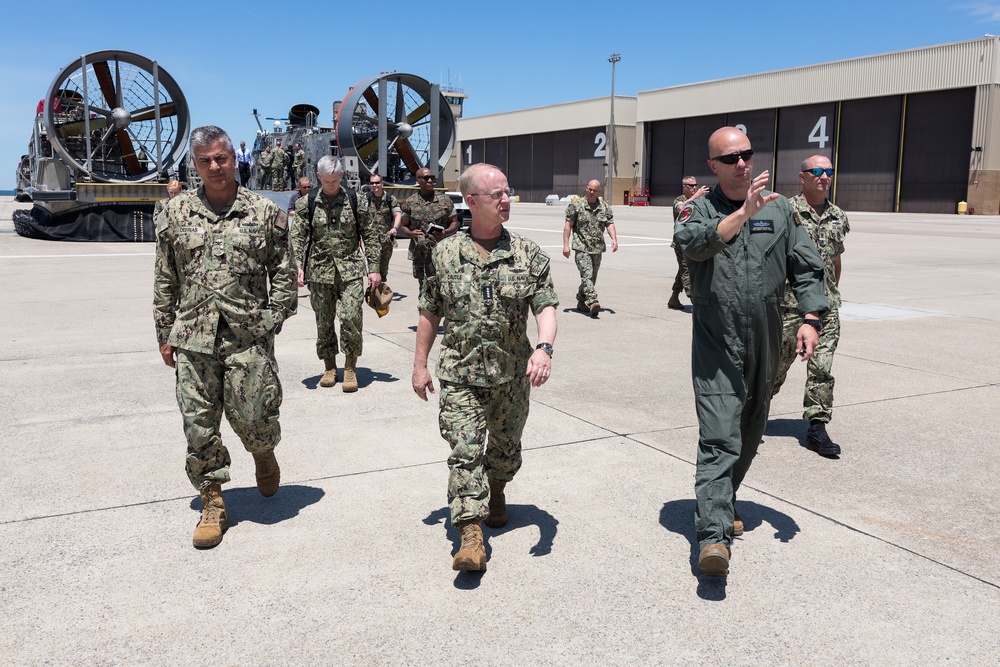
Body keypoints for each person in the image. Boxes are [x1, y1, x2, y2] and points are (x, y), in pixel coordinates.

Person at [673, 127, 829, 577]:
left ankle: (724, 497)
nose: (742, 163)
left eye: (747, 155)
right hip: (716, 334)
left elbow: (806, 266)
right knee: (720, 430)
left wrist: (810, 318)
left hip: (764, 329)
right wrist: (743, 212)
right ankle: (714, 536)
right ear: (713, 166)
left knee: (753, 423)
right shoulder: (695, 209)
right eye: (731, 158)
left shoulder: (780, 210)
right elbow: (695, 246)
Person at [152, 125, 297, 549]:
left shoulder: (264, 212)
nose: (215, 167)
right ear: (195, 165)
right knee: (198, 426)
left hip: (247, 336)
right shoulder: (175, 214)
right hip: (194, 337)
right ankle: (213, 498)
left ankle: (263, 452)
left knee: (254, 416)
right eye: (205, 161)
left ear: (235, 158)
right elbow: (165, 278)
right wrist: (165, 332)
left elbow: (285, 274)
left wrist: (272, 319)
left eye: (222, 158)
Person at [412, 163, 558, 572]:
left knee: (505, 452)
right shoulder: (443, 254)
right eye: (497, 194)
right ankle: (470, 535)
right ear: (472, 201)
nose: (506, 199)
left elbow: (545, 306)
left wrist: (544, 348)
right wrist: (420, 366)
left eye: (507, 192)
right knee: (464, 452)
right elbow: (429, 312)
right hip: (460, 375)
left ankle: (497, 488)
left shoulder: (527, 255)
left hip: (512, 377)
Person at [771, 155, 850, 458]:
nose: (824, 176)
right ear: (802, 176)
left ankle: (817, 426)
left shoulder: (838, 216)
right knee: (774, 370)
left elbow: (836, 258)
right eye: (816, 171)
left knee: (822, 369)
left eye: (828, 171)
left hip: (827, 307)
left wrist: (831, 293)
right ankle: (748, 415)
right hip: (790, 307)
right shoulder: (785, 211)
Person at [292, 156, 382, 392]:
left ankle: (350, 367)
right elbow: (298, 237)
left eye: (335, 180)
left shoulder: (356, 200)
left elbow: (371, 235)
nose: (331, 184)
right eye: (326, 180)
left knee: (351, 317)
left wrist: (374, 269)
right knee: (324, 321)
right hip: (320, 271)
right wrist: (297, 265)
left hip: (350, 269)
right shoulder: (306, 203)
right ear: (318, 177)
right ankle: (329, 366)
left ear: (341, 176)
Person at [562, 180, 618, 317]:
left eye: (595, 190)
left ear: (599, 191)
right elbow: (568, 225)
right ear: (586, 188)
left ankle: (581, 302)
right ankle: (593, 301)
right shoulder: (576, 206)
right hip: (581, 247)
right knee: (587, 275)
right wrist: (565, 245)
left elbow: (609, 224)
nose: (591, 192)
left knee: (591, 278)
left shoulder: (604, 207)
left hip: (597, 248)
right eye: (590, 189)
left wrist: (614, 239)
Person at [399, 167, 457, 292]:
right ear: (418, 180)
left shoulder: (445, 201)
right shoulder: (410, 203)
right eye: (426, 178)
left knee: (444, 286)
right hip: (421, 253)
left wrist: (446, 232)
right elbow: (403, 225)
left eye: (432, 178)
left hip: (442, 251)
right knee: (424, 287)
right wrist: (411, 233)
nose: (430, 180)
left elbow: (454, 223)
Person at [669, 177, 710, 310]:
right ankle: (695, 301)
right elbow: (681, 208)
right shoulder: (679, 200)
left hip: (695, 241)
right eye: (691, 185)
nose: (694, 188)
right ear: (684, 186)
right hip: (681, 242)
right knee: (687, 270)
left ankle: (674, 298)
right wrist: (696, 196)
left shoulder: (700, 200)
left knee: (684, 270)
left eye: (696, 185)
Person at [361, 173, 402, 282]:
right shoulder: (366, 199)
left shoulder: (389, 198)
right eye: (372, 183)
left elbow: (397, 214)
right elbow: (360, 216)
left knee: (383, 271)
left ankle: (379, 296)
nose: (375, 185)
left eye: (377, 182)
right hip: (371, 240)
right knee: (373, 270)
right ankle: (372, 295)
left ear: (382, 183)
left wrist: (395, 228)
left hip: (386, 240)